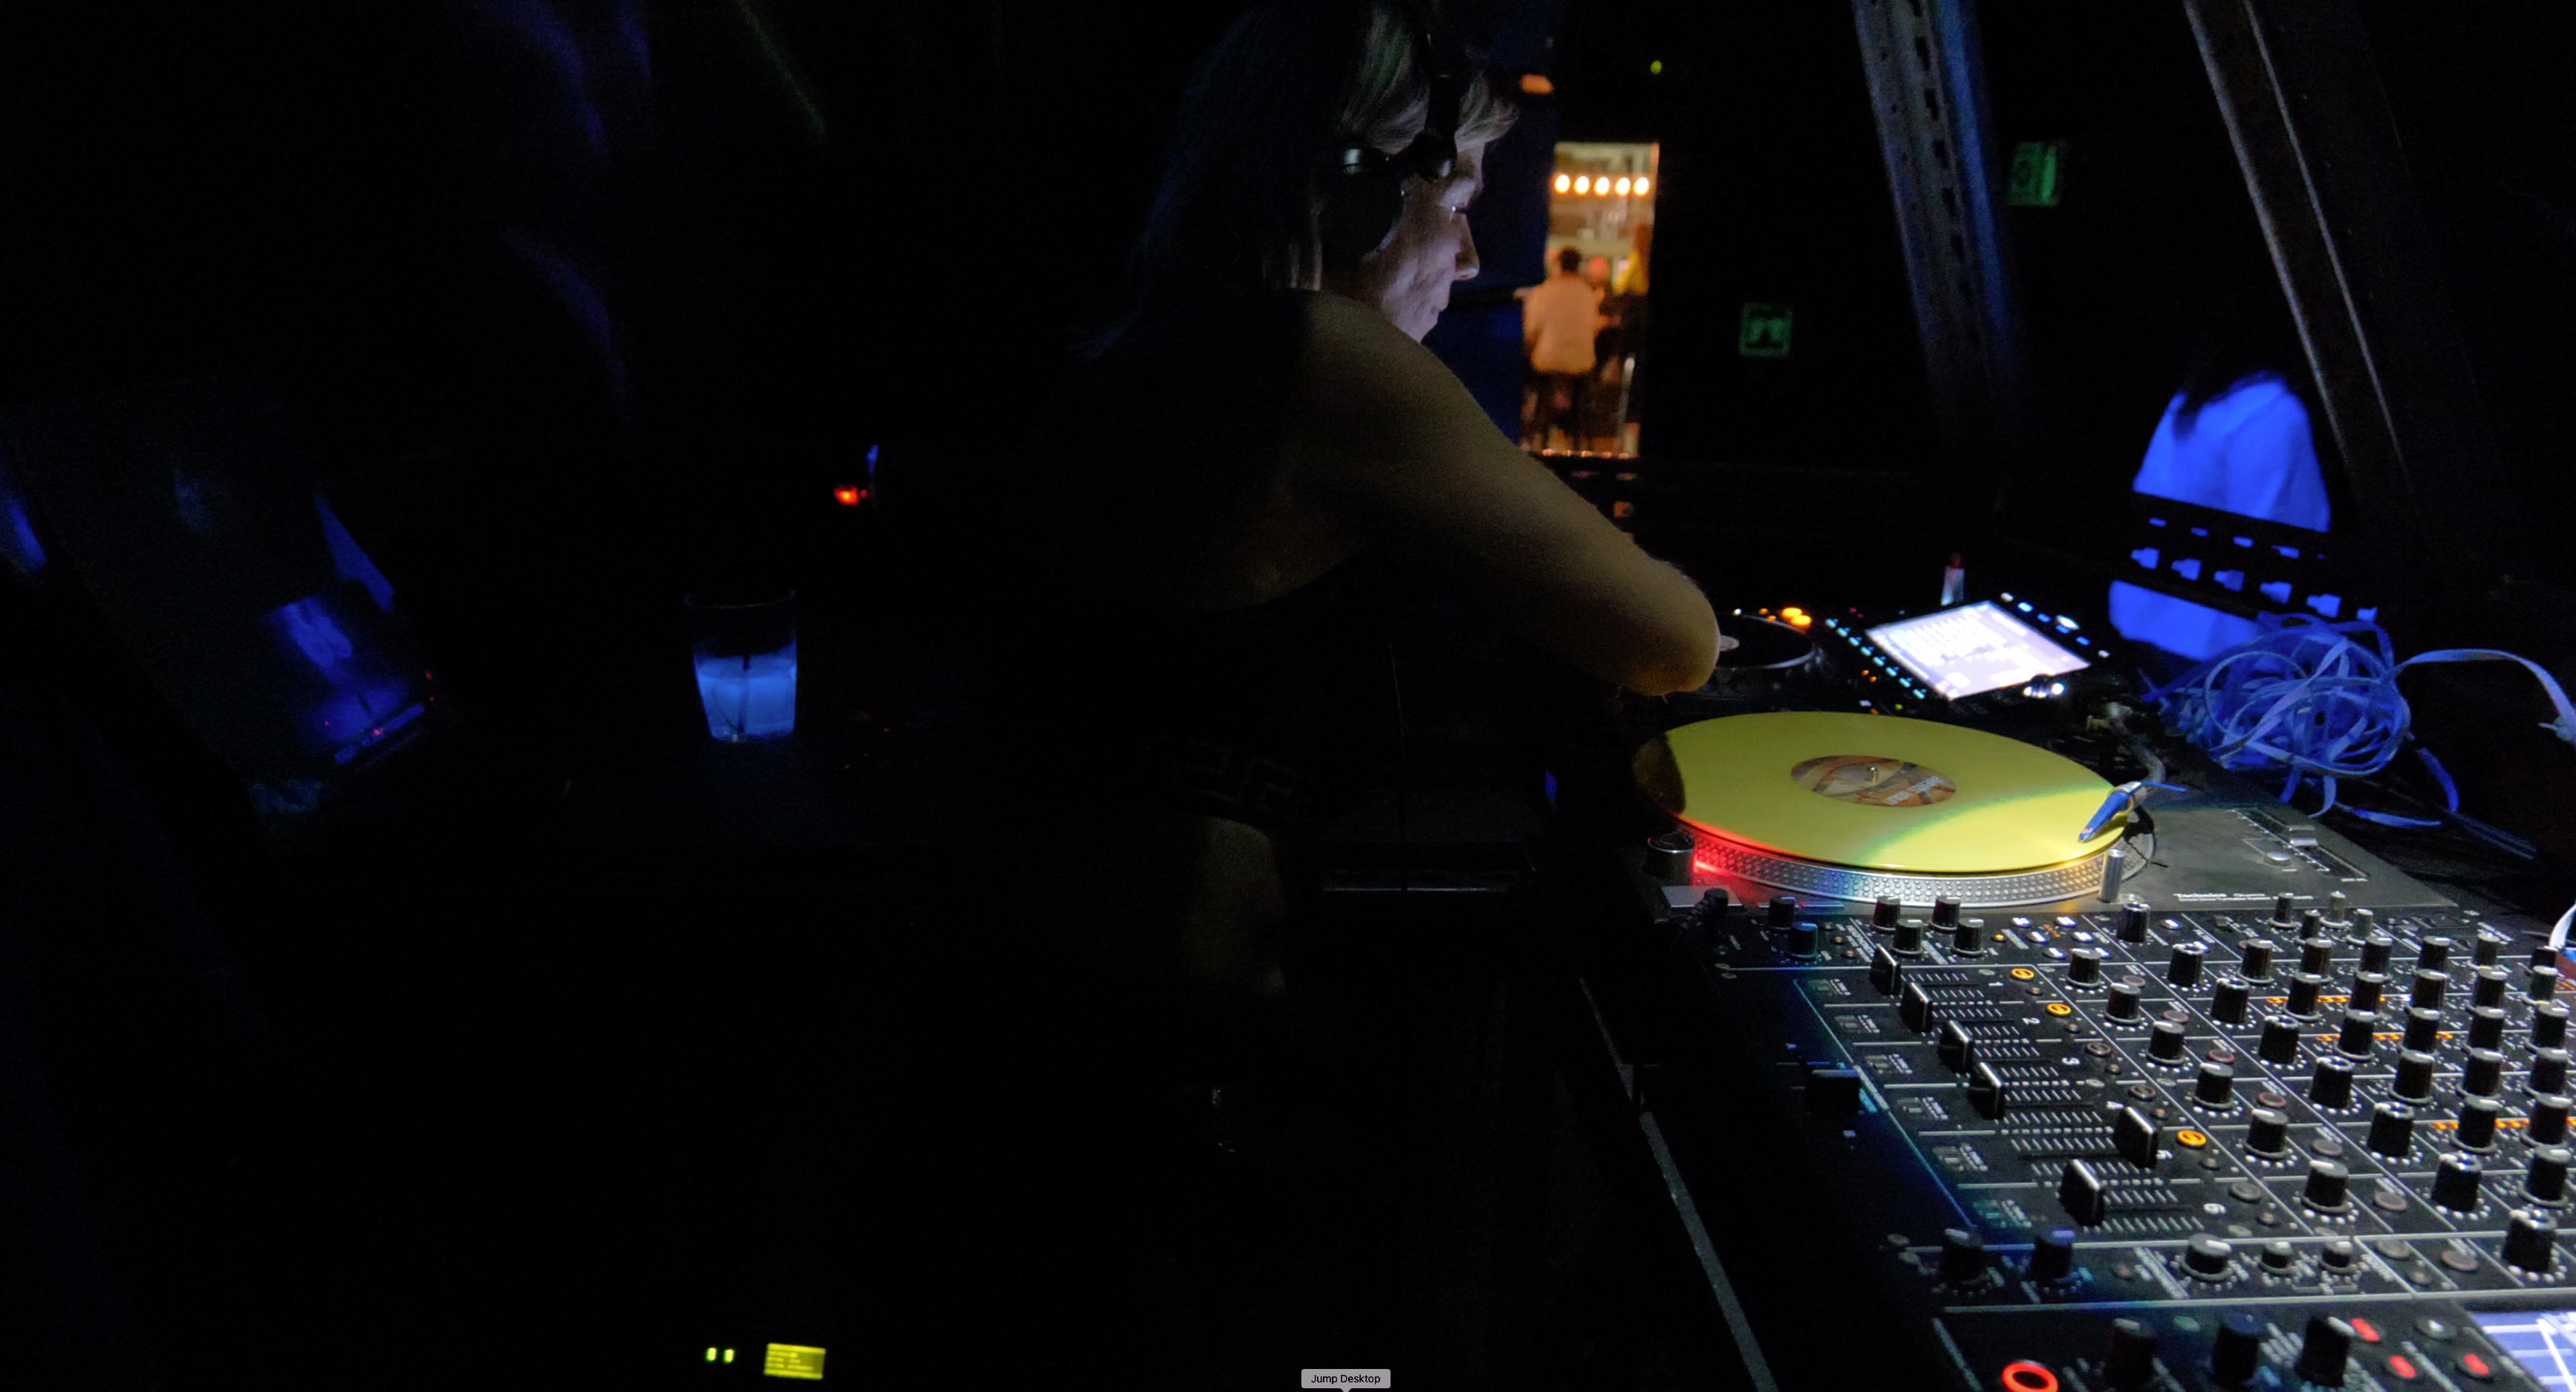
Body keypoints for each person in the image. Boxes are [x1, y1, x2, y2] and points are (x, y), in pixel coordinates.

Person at [967, 0, 1717, 1381]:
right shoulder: (1322, 354)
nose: (1473, 256)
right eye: (1462, 198)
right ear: (1361, 182)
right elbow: (1670, 640)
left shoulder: (1158, 332)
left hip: (1065, 1028)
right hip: (1195, 1072)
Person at [2111, 287, 2335, 657]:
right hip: (2211, 641)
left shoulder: (2201, 398)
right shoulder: (2270, 412)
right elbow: (2275, 549)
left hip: (2150, 612)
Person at [1518, 245, 1607, 447]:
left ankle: (1535, 436)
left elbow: (1531, 331)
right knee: (1579, 393)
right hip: (1582, 362)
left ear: (1557, 265)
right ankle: (1580, 440)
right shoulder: (1588, 293)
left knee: (1531, 376)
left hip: (1548, 361)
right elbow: (1594, 327)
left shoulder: (1544, 291)